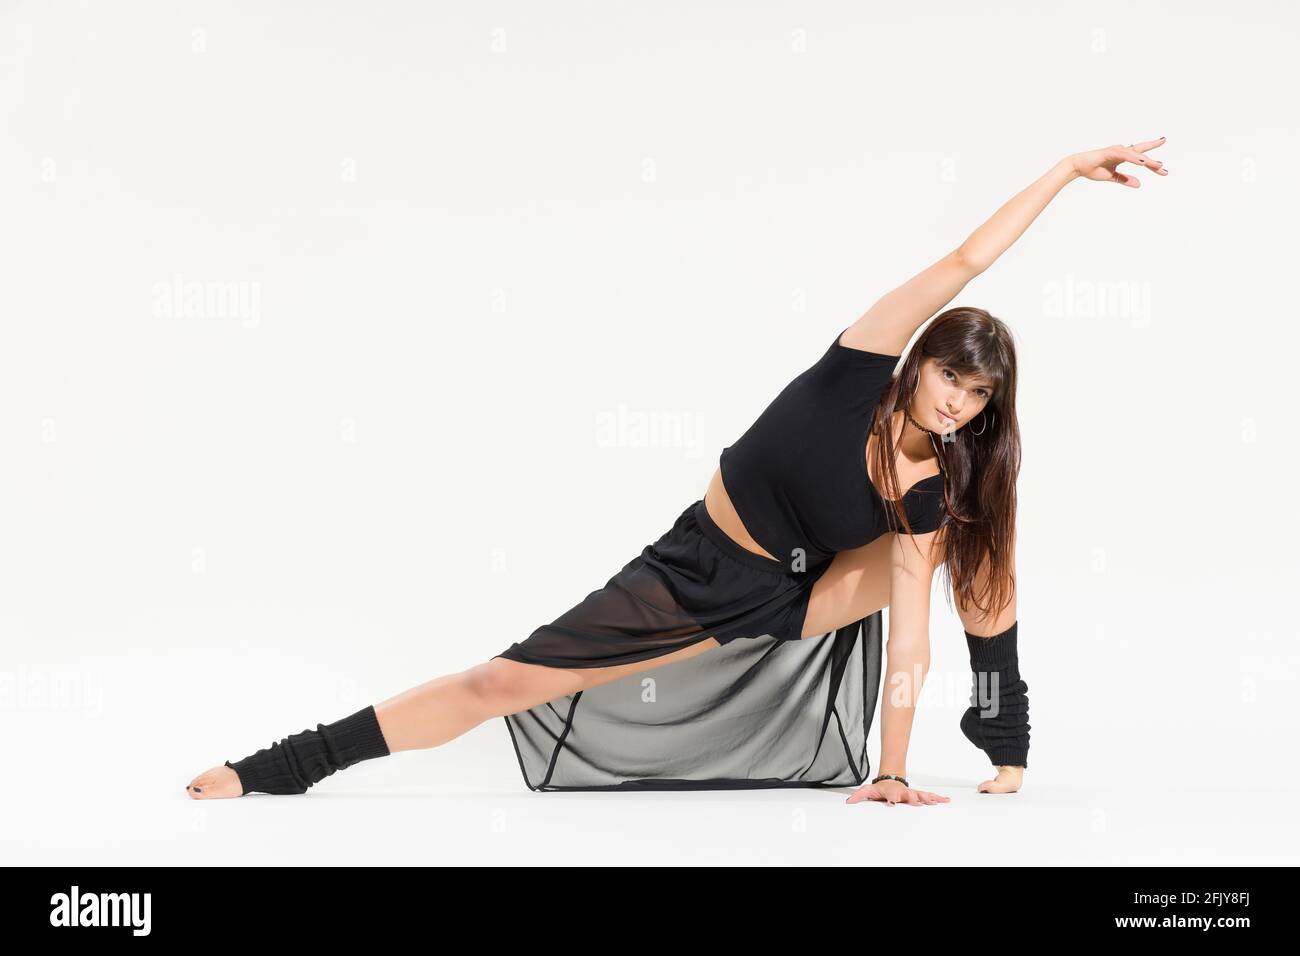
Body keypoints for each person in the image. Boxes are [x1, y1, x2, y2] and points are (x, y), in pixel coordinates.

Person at [186, 138, 1167, 806]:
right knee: (500, 677)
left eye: (979, 394)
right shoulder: (860, 358)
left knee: (976, 534)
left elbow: (906, 630)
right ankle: (288, 763)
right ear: (919, 360)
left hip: (796, 595)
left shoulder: (923, 492)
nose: (958, 400)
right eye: (951, 373)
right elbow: (965, 255)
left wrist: (892, 768)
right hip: (697, 564)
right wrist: (1064, 170)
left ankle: (999, 715)